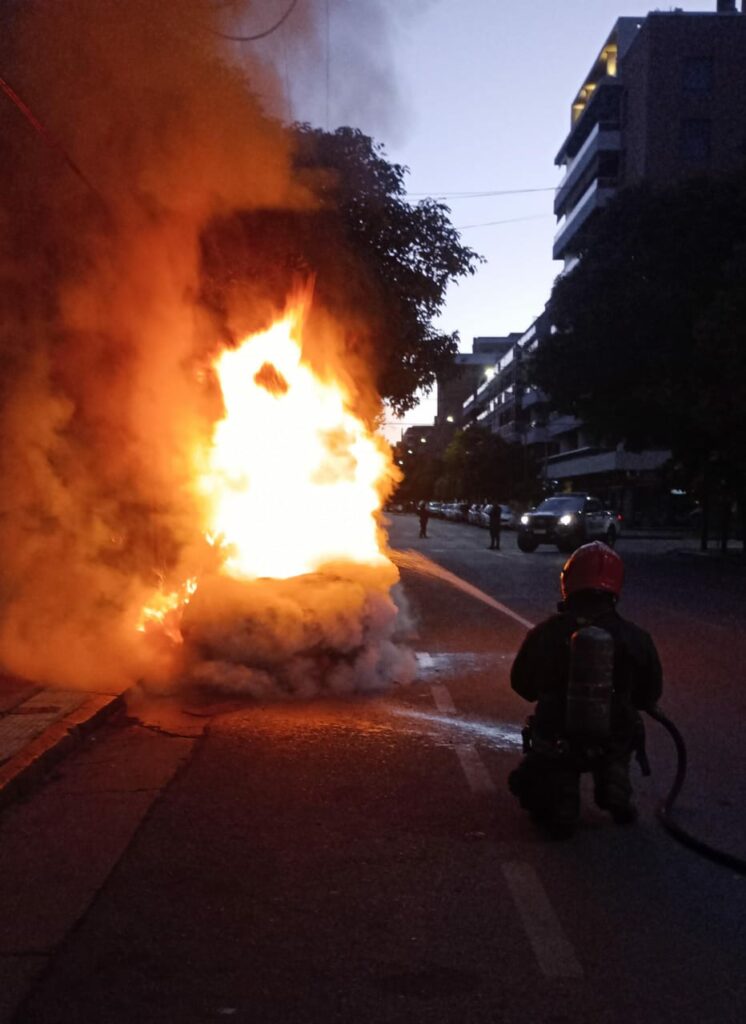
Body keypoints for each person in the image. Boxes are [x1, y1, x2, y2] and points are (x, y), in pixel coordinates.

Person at [508, 541, 662, 837]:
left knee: (536, 786)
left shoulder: (545, 634)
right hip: (614, 737)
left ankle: (561, 795)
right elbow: (650, 695)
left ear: (569, 582)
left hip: (556, 738)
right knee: (626, 729)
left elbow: (521, 685)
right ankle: (614, 781)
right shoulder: (637, 638)